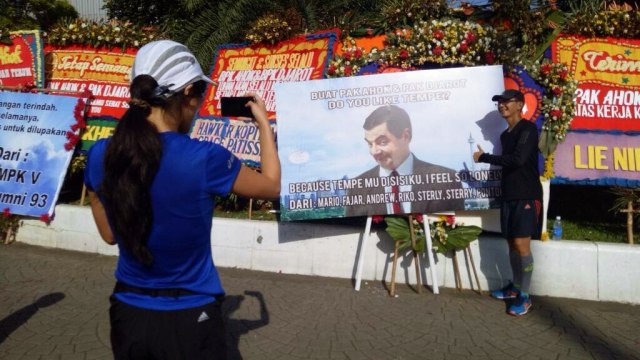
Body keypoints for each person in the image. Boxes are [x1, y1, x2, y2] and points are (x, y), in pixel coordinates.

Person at [84, 40, 280, 359]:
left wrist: (95, 192)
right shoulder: (203, 159)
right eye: (200, 94)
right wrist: (263, 126)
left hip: (128, 314)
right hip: (192, 317)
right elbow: (271, 186)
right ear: (188, 92)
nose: (200, 103)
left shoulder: (101, 155)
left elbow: (108, 235)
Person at [473, 89, 542, 317]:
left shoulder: (528, 129)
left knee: (522, 247)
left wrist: (484, 158)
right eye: (499, 103)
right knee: (512, 244)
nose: (501, 105)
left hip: (527, 196)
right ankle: (515, 287)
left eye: (506, 102)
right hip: (509, 195)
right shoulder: (505, 135)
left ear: (519, 104)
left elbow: (518, 160)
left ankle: (525, 296)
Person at [344, 105, 464, 217]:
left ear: (405, 136)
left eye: (382, 142)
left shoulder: (447, 180)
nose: (374, 151)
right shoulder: (356, 189)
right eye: (370, 144)